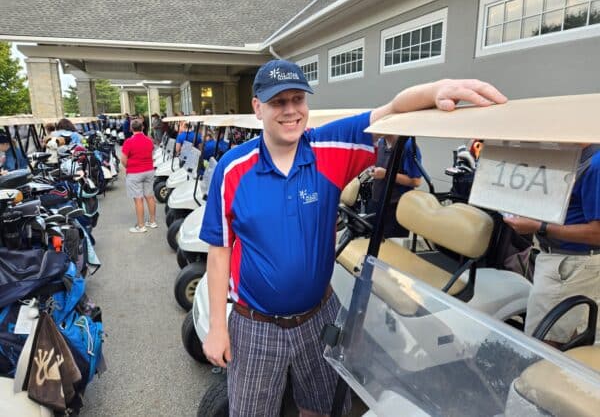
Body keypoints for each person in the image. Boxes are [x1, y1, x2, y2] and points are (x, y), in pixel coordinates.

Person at [199, 58, 506, 417]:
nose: (290, 111)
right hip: (256, 324)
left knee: (323, 407)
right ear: (257, 107)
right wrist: (218, 327)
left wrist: (437, 88)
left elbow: (391, 110)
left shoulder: (330, 147)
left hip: (319, 316)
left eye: (297, 99)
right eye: (278, 102)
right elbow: (219, 251)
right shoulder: (233, 169)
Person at [504, 144, 600, 345]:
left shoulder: (595, 164)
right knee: (568, 335)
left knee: (543, 345)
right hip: (562, 261)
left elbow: (597, 233)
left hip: (571, 264)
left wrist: (539, 226)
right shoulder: (570, 154)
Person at [367, 135, 423, 238]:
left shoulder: (408, 145)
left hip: (395, 207)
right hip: (377, 201)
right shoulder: (380, 142)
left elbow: (416, 181)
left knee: (389, 248)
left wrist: (386, 174)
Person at [120, 119, 158, 233]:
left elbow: (123, 160)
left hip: (134, 172)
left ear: (131, 129)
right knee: (150, 196)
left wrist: (130, 167)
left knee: (138, 199)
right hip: (149, 171)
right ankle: (152, 222)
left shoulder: (128, 142)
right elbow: (151, 155)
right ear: (142, 128)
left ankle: (141, 226)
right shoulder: (149, 140)